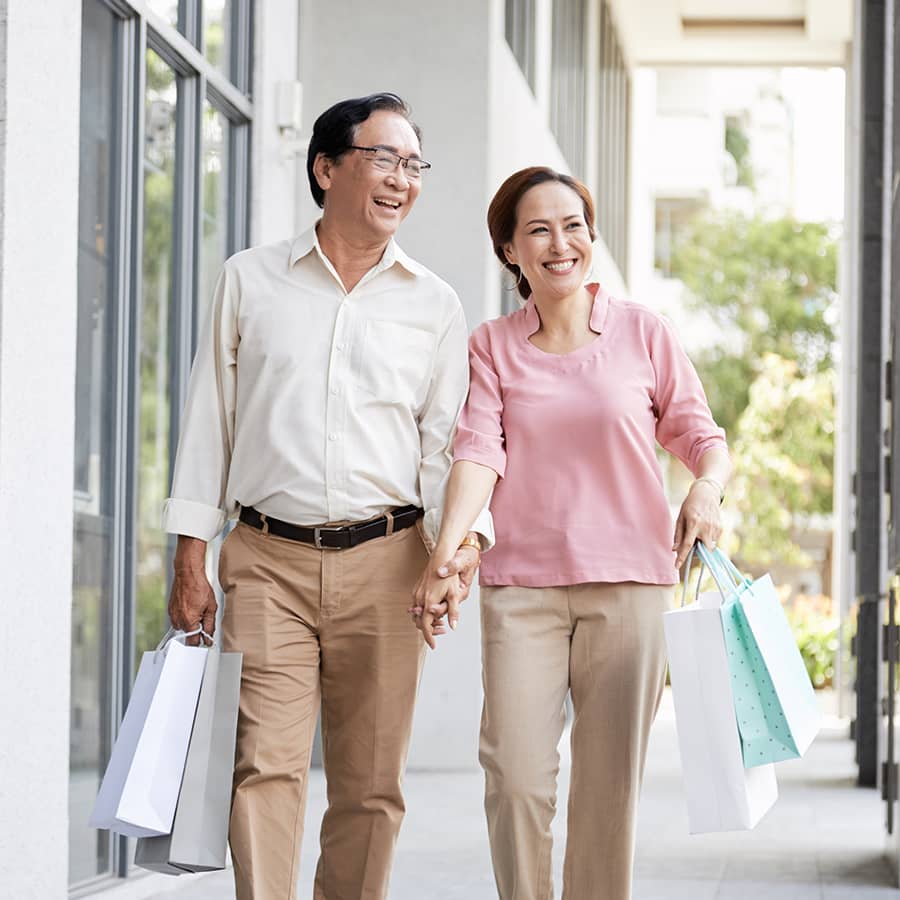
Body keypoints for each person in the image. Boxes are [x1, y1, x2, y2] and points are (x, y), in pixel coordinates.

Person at [163, 92, 491, 900]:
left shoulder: (434, 304)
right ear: (326, 168)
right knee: (263, 769)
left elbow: (445, 449)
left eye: (414, 165)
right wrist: (190, 556)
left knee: (371, 786)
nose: (402, 179)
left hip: (388, 563)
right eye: (384, 159)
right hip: (266, 560)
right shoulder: (251, 280)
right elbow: (210, 422)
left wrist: (456, 552)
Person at [411, 166, 731, 900]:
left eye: (574, 226)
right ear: (510, 251)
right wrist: (446, 553)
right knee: (514, 778)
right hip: (521, 590)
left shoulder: (643, 332)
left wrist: (706, 488)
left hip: (630, 587)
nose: (561, 244)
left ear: (591, 236)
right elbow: (477, 452)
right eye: (539, 230)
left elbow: (700, 437)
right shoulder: (492, 345)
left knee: (607, 793)